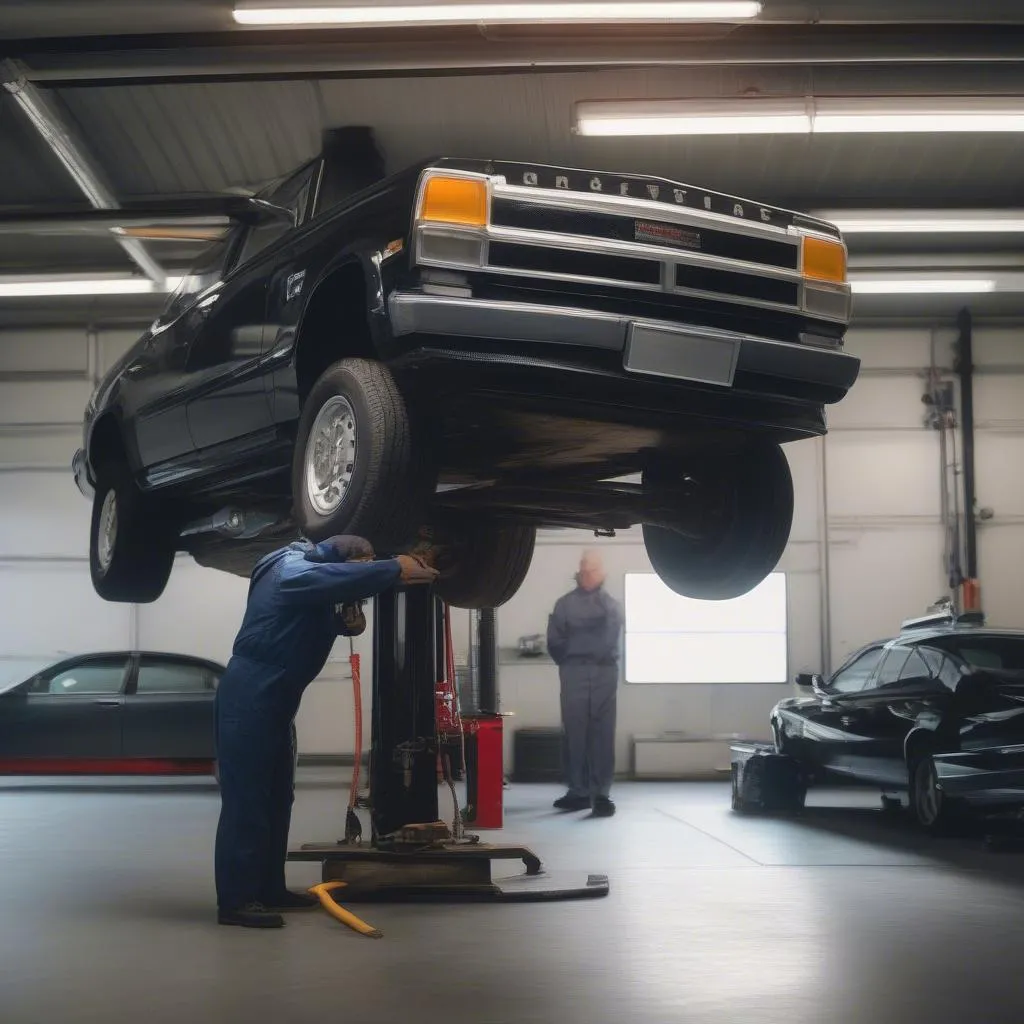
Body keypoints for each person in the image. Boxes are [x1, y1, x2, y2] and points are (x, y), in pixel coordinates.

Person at [214, 535, 438, 929]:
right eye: (360, 567)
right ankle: (236, 901)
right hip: (250, 694)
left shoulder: (303, 573)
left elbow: (296, 617)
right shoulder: (291, 567)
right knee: (247, 798)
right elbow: (315, 581)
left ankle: (268, 888)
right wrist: (391, 568)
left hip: (276, 700)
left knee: (278, 796)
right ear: (340, 558)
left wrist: (337, 624)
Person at [546, 550, 623, 818]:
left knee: (602, 734)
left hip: (603, 674)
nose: (588, 575)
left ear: (602, 573)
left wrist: (581, 652)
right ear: (579, 572)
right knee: (574, 733)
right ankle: (577, 791)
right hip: (574, 672)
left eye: (594, 570)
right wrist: (573, 660)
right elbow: (554, 641)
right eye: (585, 570)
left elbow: (609, 641)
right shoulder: (564, 605)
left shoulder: (611, 605)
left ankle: (601, 794)